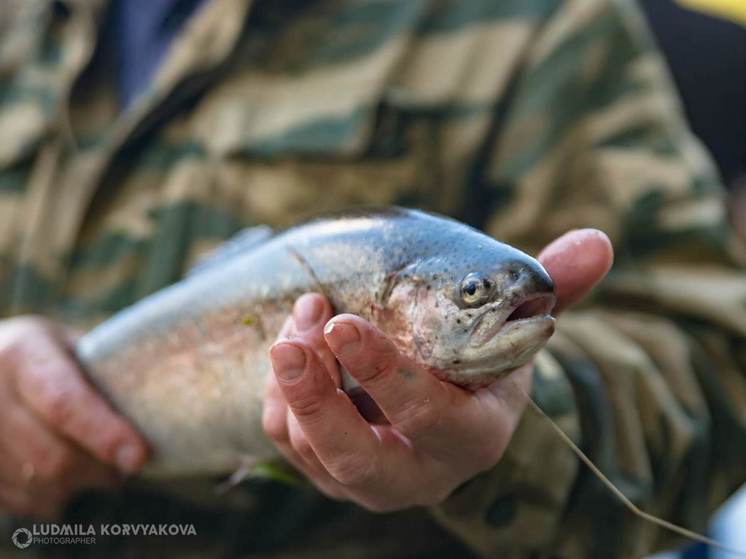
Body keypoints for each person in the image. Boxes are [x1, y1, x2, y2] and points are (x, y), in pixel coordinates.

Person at [0, 1, 744, 558]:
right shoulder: (21, 24)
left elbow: (719, 369)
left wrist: (514, 434)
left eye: (471, 294)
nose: (488, 302)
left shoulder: (542, 20)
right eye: (474, 294)